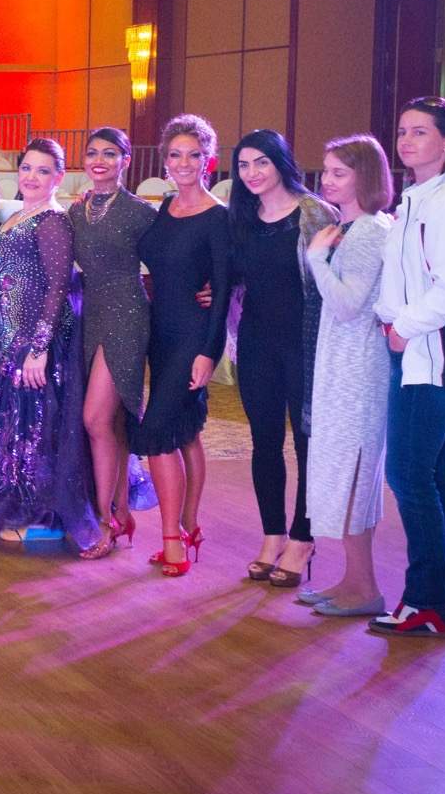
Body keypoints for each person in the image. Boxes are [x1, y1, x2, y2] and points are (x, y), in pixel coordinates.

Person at [0, 139, 103, 551]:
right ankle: (18, 506)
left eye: (43, 171)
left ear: (58, 178)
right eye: (27, 168)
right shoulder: (18, 215)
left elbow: (58, 287)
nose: (31, 177)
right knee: (15, 429)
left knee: (38, 430)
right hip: (10, 338)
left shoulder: (52, 221)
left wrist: (40, 348)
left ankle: (44, 517)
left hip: (35, 342)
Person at [370, 97, 445, 639]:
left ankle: (427, 600)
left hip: (433, 355)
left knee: (409, 476)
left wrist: (403, 326)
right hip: (415, 351)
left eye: (421, 131)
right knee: (434, 477)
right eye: (403, 130)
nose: (407, 140)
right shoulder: (417, 200)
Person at [229, 129, 336, 587]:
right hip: (256, 342)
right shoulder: (241, 216)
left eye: (262, 163)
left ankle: (303, 537)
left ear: (281, 163)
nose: (252, 173)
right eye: (243, 165)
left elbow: (335, 284)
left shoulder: (315, 213)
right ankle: (272, 534)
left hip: (305, 343)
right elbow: (234, 277)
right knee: (265, 442)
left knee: (308, 442)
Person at [299, 135, 395, 618]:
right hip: (343, 362)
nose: (327, 180)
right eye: (327, 171)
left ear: (366, 176)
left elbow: (347, 303)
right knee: (343, 471)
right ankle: (353, 579)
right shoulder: (349, 227)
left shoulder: (370, 230)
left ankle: (365, 587)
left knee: (353, 473)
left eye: (340, 173)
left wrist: (317, 259)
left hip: (358, 368)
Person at [133, 114, 232, 578]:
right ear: (166, 160)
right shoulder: (167, 205)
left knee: (156, 431)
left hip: (194, 335)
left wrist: (208, 352)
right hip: (161, 333)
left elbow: (224, 291)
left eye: (194, 154)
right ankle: (190, 523)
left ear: (208, 159)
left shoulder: (219, 216)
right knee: (184, 430)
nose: (184, 163)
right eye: (175, 154)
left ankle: (171, 540)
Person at [67, 127, 159, 556]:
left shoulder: (140, 212)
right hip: (91, 314)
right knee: (114, 422)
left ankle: (102, 522)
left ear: (125, 160)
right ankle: (121, 512)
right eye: (92, 153)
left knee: (96, 420)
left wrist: (204, 288)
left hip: (127, 313)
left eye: (109, 153)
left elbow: (170, 260)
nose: (99, 161)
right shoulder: (77, 210)